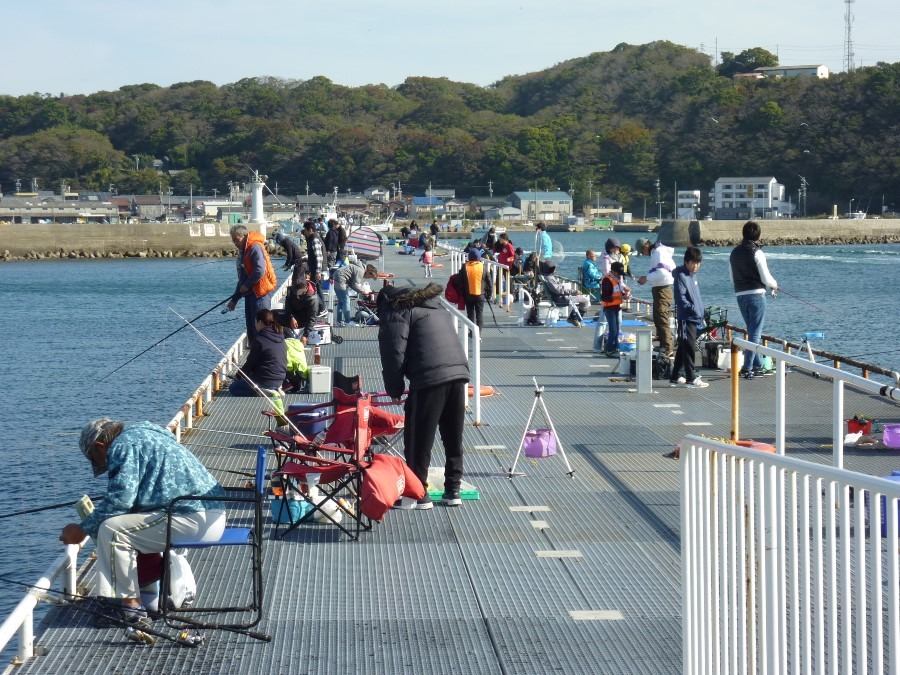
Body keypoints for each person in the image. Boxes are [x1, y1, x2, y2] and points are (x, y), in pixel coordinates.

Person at [59, 418, 225, 626]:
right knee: (126, 525)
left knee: (112, 530)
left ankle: (129, 609)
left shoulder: (122, 446)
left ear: (100, 446)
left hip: (191, 518)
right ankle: (143, 596)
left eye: (98, 459)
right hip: (211, 514)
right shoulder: (146, 434)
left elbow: (120, 500)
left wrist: (82, 529)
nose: (104, 465)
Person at [377, 282, 470, 508]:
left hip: (429, 377)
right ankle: (453, 490)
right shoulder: (435, 306)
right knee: (452, 436)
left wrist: (395, 389)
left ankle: (416, 494)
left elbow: (393, 354)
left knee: (418, 438)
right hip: (458, 373)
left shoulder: (396, 312)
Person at [729, 221, 778, 379]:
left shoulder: (734, 252)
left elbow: (732, 278)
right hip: (756, 295)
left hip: (740, 295)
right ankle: (747, 367)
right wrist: (774, 285)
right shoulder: (757, 252)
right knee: (755, 333)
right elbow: (765, 277)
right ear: (758, 235)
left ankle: (758, 364)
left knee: (752, 331)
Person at [226, 224, 277, 340]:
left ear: (243, 236)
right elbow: (243, 278)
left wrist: (247, 285)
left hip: (260, 295)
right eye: (233, 241)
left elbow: (260, 270)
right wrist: (234, 299)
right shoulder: (245, 251)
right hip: (250, 296)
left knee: (262, 330)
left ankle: (264, 355)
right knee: (252, 330)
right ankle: (255, 354)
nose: (235, 243)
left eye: (236, 240)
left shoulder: (254, 247)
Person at [670, 247, 708, 388]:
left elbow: (696, 297)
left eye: (698, 263)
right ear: (686, 262)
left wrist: (702, 311)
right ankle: (691, 377)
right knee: (689, 346)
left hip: (695, 316)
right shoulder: (681, 276)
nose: (696, 266)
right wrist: (694, 311)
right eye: (693, 263)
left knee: (683, 346)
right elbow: (681, 299)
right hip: (686, 317)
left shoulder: (693, 276)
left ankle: (675, 375)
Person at [228, 308, 287, 397]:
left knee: (233, 388)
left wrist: (238, 376)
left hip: (265, 380)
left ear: (260, 323)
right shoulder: (281, 336)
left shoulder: (260, 340)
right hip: (280, 379)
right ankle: (274, 389)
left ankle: (261, 392)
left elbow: (250, 363)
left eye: (256, 322)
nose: (255, 324)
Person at [637, 238, 676, 360]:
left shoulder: (658, 252)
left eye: (642, 252)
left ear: (644, 247)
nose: (644, 255)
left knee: (662, 318)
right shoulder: (658, 252)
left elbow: (663, 273)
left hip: (663, 289)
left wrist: (646, 278)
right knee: (658, 317)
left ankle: (668, 348)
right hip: (661, 289)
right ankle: (663, 345)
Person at [278, 263, 319, 344]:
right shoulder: (292, 291)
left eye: (299, 293)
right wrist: (291, 317)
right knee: (272, 315)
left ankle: (293, 337)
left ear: (306, 288)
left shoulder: (313, 299)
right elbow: (287, 306)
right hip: (293, 316)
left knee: (308, 320)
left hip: (304, 320)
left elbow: (312, 318)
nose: (297, 295)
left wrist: (305, 335)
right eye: (295, 292)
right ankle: (285, 337)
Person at [542, 259, 590, 325]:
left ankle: (573, 317)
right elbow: (558, 291)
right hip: (561, 299)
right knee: (585, 300)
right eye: (554, 269)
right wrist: (574, 292)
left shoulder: (548, 277)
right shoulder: (550, 279)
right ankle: (574, 319)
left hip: (560, 297)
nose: (556, 270)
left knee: (583, 299)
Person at [455, 248, 493, 331]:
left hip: (468, 295)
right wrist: (490, 294)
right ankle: (478, 334)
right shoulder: (483, 267)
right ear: (479, 257)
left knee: (470, 314)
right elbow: (489, 282)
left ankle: (472, 332)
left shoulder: (465, 267)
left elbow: (458, 281)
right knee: (479, 314)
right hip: (480, 295)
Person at [332, 258, 378, 326]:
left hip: (336, 276)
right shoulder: (360, 271)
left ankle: (339, 321)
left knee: (341, 301)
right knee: (346, 300)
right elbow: (355, 285)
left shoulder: (358, 267)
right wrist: (363, 291)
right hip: (341, 279)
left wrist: (361, 290)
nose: (368, 278)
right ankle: (348, 321)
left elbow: (352, 284)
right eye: (370, 276)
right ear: (368, 272)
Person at [600, 261, 631, 353]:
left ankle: (616, 348)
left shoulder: (616, 280)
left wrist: (625, 293)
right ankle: (609, 349)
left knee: (617, 330)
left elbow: (617, 291)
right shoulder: (607, 280)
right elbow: (604, 297)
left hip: (616, 307)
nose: (620, 276)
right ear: (613, 271)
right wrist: (620, 297)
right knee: (613, 330)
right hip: (609, 308)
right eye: (618, 273)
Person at [302, 220, 328, 311]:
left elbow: (319, 256)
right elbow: (314, 255)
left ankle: (322, 308)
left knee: (315, 289)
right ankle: (321, 308)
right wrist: (305, 259)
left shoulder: (315, 240)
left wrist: (318, 271)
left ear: (311, 230)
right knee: (317, 288)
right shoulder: (314, 238)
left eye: (305, 230)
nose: (304, 232)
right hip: (317, 269)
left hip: (317, 270)